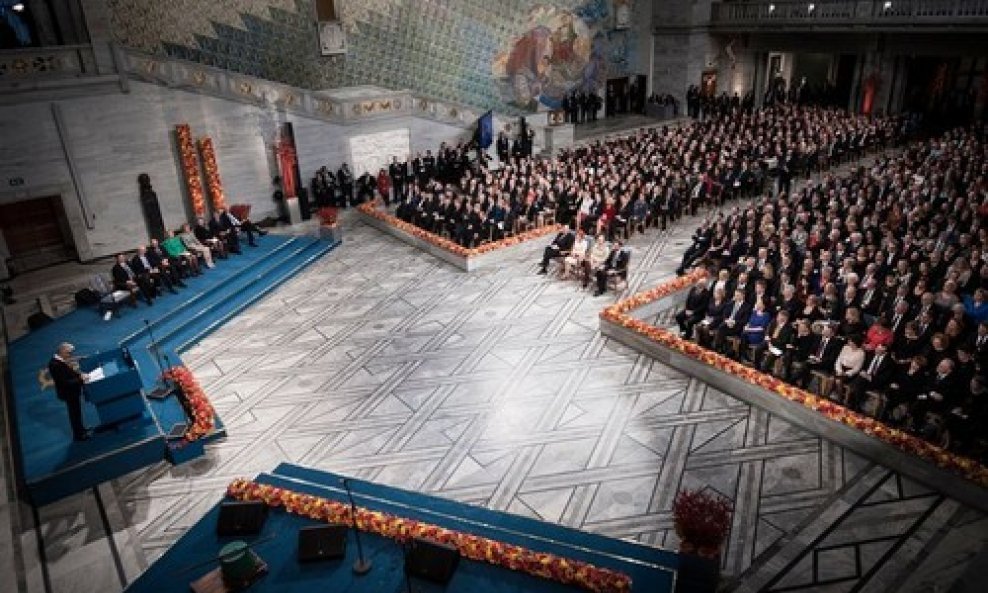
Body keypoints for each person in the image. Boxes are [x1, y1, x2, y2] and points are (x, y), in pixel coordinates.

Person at [48, 342, 91, 441]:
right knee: (74, 414)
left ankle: (81, 429)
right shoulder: (55, 365)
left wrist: (79, 361)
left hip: (72, 391)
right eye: (69, 353)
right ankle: (79, 435)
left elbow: (68, 368)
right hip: (68, 393)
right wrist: (81, 379)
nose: (70, 355)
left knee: (77, 412)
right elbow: (65, 382)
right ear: (62, 351)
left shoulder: (59, 360)